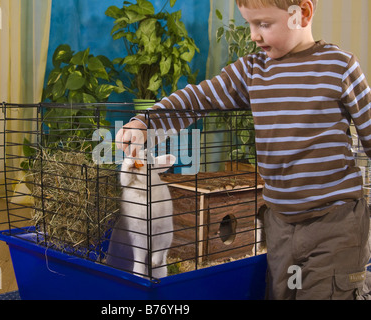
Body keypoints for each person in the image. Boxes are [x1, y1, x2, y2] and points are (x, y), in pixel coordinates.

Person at [115, 0, 371, 300]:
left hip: (335, 225)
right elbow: (200, 98)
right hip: (281, 226)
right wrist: (144, 123)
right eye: (250, 23)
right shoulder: (253, 69)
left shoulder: (339, 66)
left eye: (263, 24)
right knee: (283, 293)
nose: (253, 35)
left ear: (301, 13)